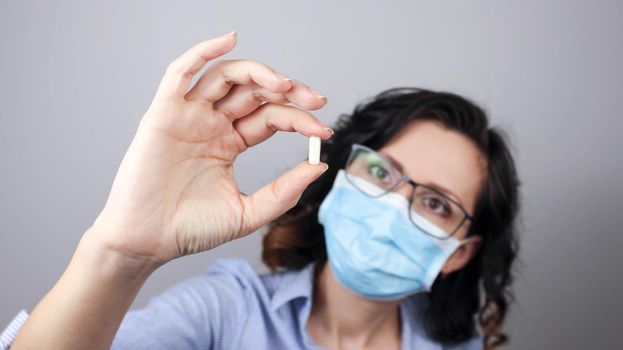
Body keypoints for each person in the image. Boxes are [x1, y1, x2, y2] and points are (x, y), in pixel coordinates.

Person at [2, 31, 520, 350]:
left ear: (461, 252)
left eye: (435, 203)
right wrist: (121, 252)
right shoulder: (225, 313)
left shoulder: (459, 345)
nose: (394, 206)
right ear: (337, 175)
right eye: (381, 173)